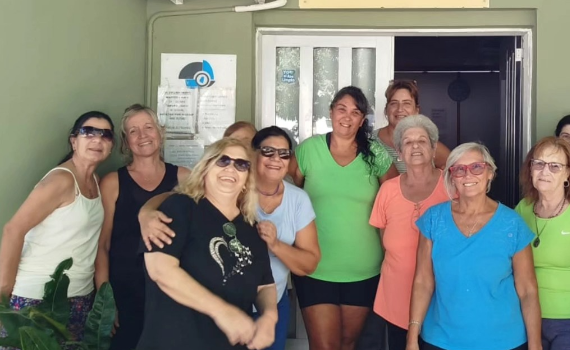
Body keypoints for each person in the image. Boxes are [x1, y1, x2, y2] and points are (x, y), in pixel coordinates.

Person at [140, 126, 322, 350]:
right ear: (205, 168)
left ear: (247, 178)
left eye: (241, 164)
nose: (231, 168)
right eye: (222, 161)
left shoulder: (251, 226)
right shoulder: (179, 208)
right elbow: (160, 270)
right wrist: (221, 312)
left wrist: (269, 316)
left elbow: (265, 285)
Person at [0, 111, 115, 345]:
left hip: (80, 297)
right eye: (88, 132)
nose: (97, 139)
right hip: (38, 300)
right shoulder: (61, 180)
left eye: (106, 135)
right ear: (73, 141)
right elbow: (13, 230)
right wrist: (4, 287)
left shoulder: (96, 182)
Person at [288, 86, 397, 350]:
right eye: (341, 109)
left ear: (362, 120)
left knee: (348, 344)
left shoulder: (376, 153)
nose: (347, 117)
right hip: (315, 267)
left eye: (355, 112)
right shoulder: (309, 150)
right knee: (324, 345)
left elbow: (395, 200)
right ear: (331, 112)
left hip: (363, 269)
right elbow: (291, 195)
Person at [407, 142, 541, 350]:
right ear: (452, 177)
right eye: (459, 169)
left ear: (490, 173)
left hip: (504, 342)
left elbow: (527, 290)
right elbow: (423, 282)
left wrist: (535, 345)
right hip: (441, 340)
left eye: (477, 167)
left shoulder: (512, 224)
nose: (468, 175)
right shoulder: (434, 219)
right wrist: (412, 337)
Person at [94, 104, 190, 350]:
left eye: (148, 127)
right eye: (133, 131)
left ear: (160, 132)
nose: (142, 135)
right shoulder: (113, 182)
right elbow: (102, 246)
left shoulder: (185, 178)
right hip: (125, 295)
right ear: (126, 141)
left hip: (171, 294)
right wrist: (106, 303)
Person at [515, 137, 570, 350]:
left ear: (567, 173)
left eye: (555, 166)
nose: (545, 171)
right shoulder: (522, 210)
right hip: (528, 318)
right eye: (539, 164)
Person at [369, 115, 450, 350]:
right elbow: (385, 241)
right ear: (399, 152)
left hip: (443, 299)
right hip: (396, 299)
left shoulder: (452, 186)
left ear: (433, 149)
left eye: (422, 141)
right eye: (408, 142)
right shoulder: (387, 190)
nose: (415, 146)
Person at [374, 80, 450, 173]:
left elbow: (454, 171)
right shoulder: (370, 141)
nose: (400, 109)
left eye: (407, 103)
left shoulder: (429, 145)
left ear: (417, 110)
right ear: (386, 110)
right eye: (394, 103)